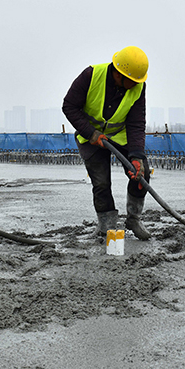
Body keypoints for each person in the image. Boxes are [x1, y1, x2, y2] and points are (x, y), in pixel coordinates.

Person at [62, 46, 151, 242]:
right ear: (119, 73)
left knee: (141, 173)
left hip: (120, 136)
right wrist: (91, 133)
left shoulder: (138, 86)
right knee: (101, 182)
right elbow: (69, 106)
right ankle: (106, 226)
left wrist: (136, 156)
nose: (135, 85)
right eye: (132, 81)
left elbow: (136, 123)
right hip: (91, 136)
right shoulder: (90, 76)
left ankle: (134, 219)